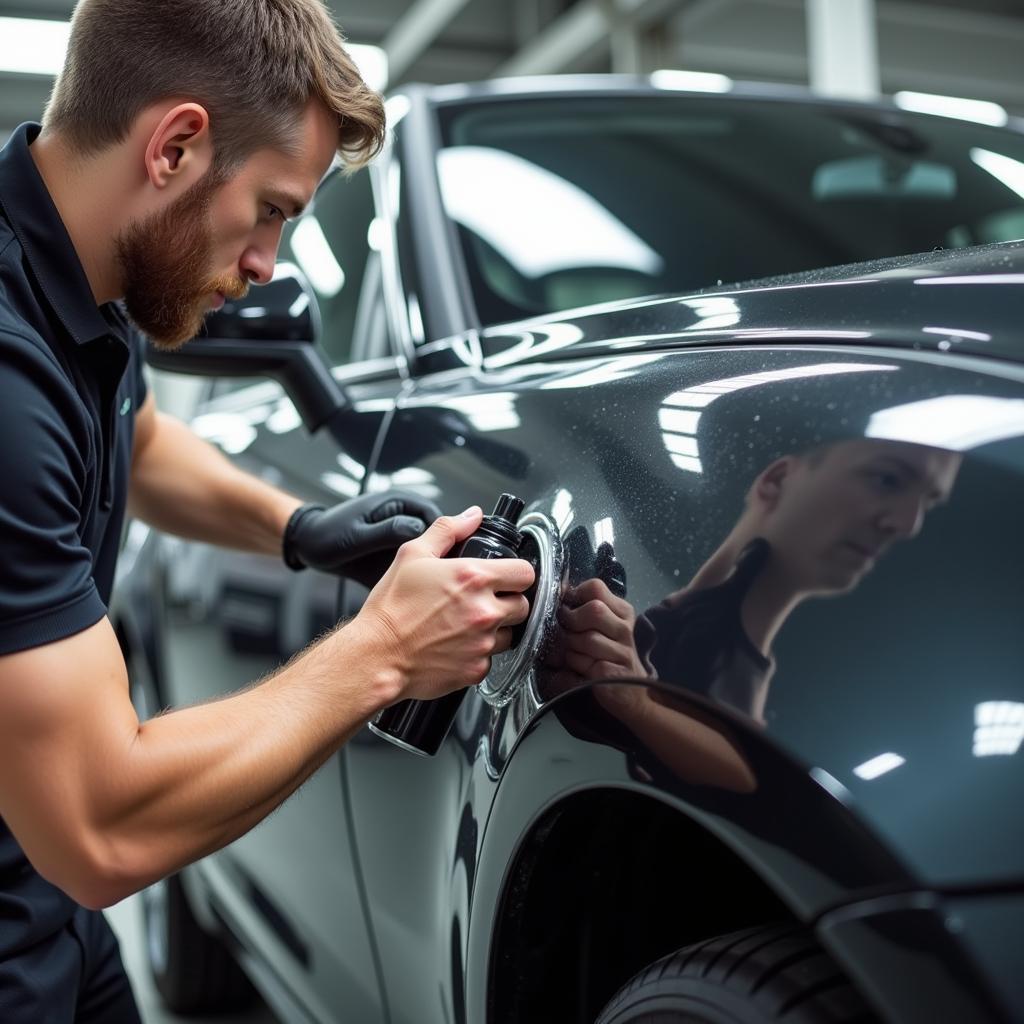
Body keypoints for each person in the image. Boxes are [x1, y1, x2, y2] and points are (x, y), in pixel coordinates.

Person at [0, 2, 534, 1020]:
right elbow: (101, 826)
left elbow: (139, 439)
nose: (268, 266)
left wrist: (299, 530)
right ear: (176, 146)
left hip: (45, 895)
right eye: (274, 210)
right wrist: (381, 649)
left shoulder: (83, 270)